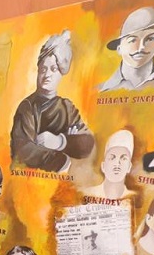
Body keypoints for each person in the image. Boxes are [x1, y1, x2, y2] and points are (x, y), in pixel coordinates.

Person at [11, 30, 94, 172]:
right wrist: (63, 159)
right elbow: (24, 150)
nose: (47, 74)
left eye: (53, 69)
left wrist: (59, 142)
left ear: (61, 74)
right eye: (43, 69)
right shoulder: (27, 107)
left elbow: (86, 143)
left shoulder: (67, 107)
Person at [99, 6, 154, 92]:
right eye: (133, 40)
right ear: (119, 48)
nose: (141, 47)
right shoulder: (96, 92)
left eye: (150, 39)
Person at [83, 129, 135, 199]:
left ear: (129, 167)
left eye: (123, 158)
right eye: (112, 158)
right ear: (103, 166)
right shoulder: (87, 195)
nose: (117, 163)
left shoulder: (132, 199)